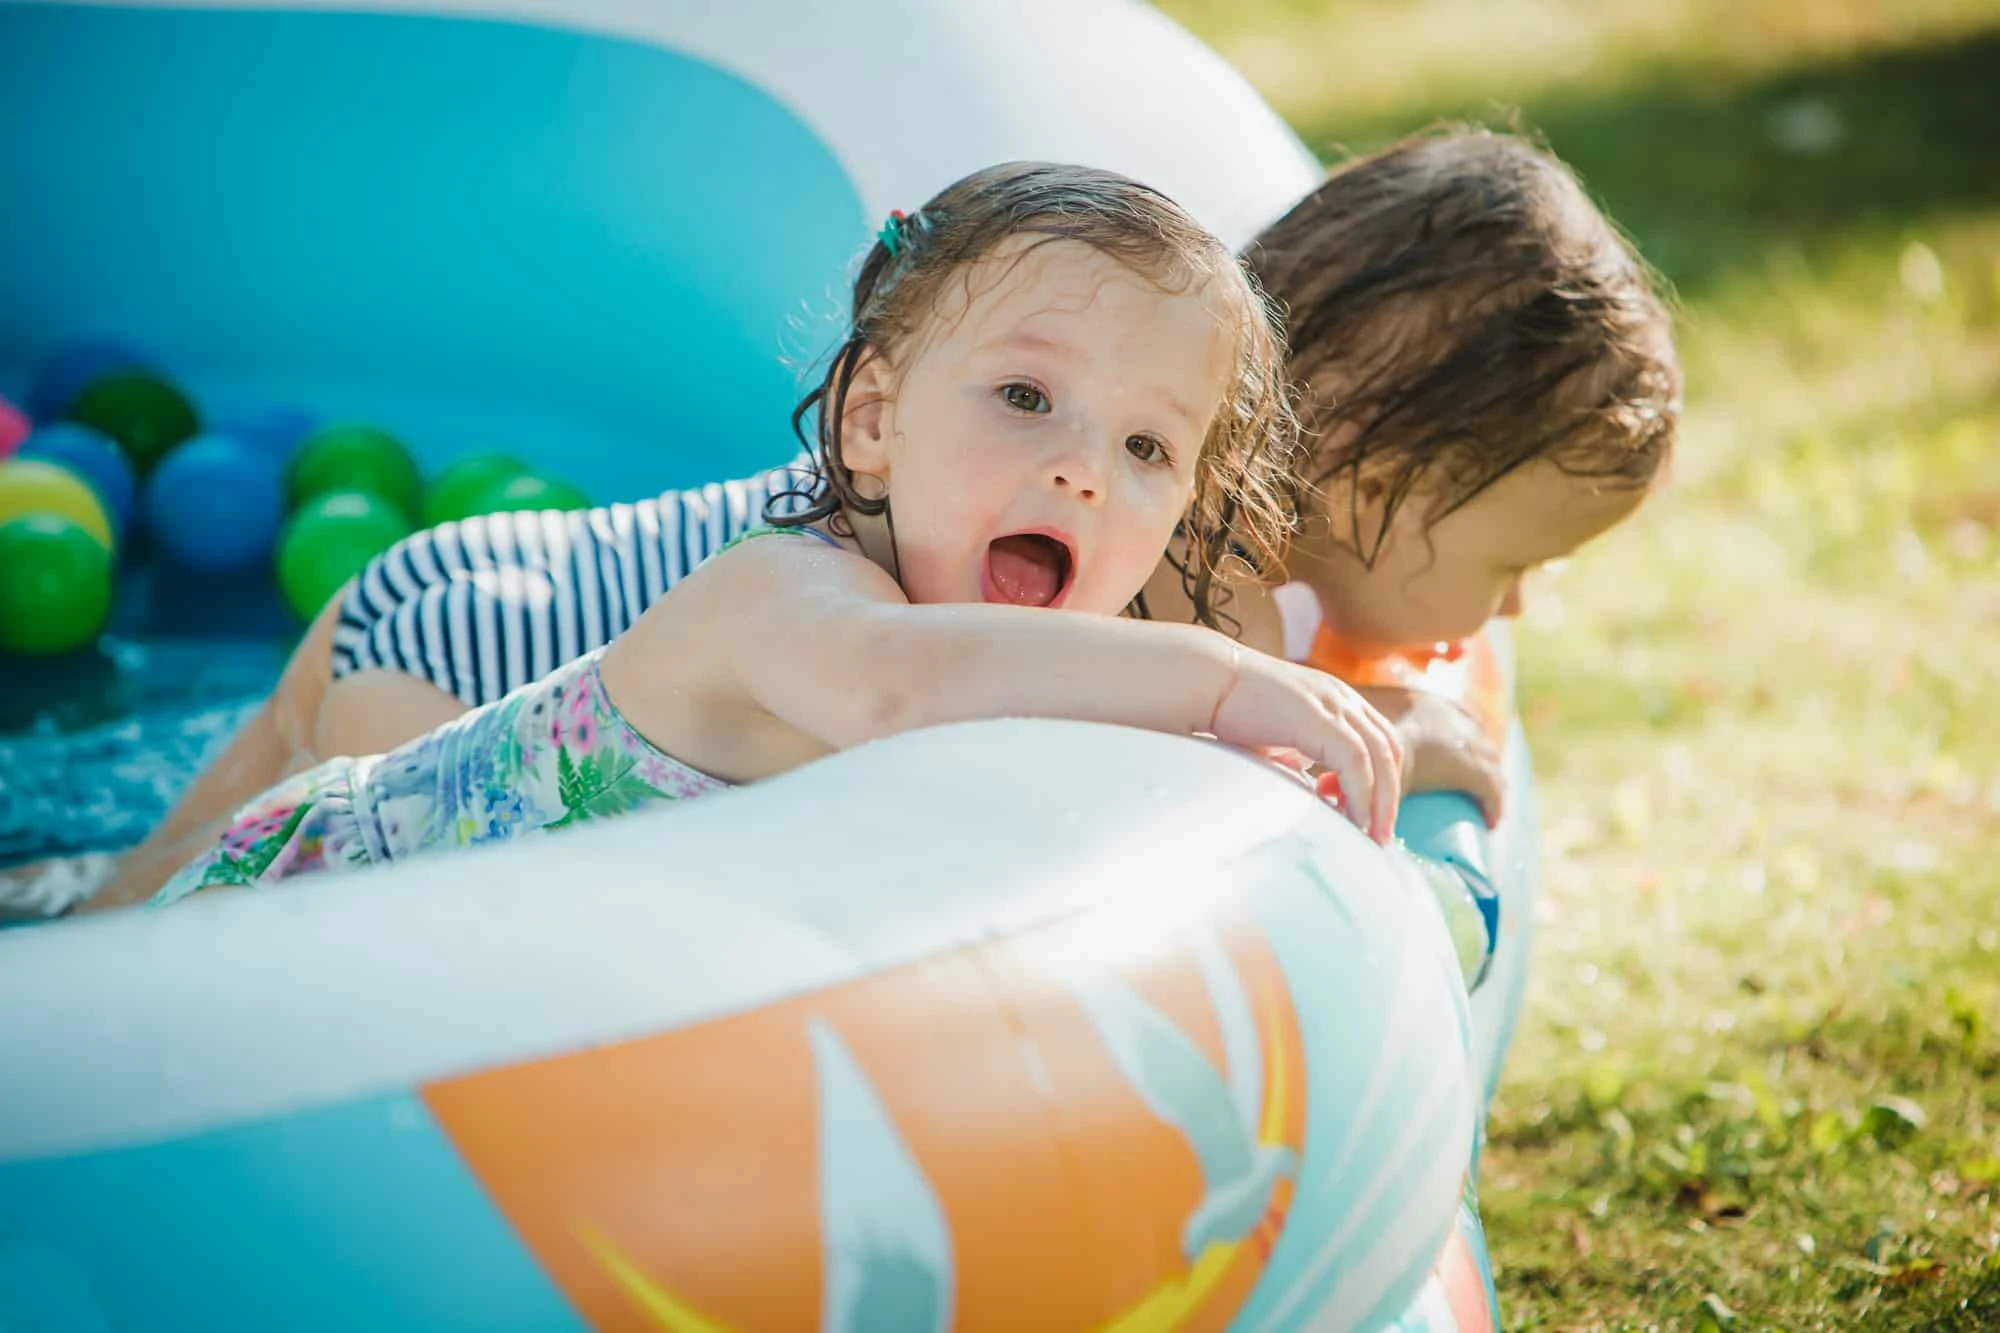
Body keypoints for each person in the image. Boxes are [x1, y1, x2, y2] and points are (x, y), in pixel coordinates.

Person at [85, 126, 1680, 909]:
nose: (1515, 609)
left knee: (117, 906)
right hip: (471, 660)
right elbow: (906, 686)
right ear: (1394, 459)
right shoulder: (942, 603)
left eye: (1147, 447)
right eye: (1519, 558)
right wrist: (1257, 693)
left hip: (475, 659)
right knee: (131, 942)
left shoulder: (1097, 541)